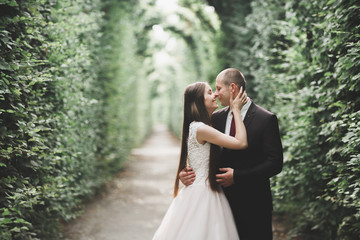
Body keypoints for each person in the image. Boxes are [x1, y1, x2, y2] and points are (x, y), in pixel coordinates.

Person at [180, 68, 283, 240]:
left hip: (254, 205)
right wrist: (187, 172)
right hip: (219, 202)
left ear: (233, 88)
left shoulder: (265, 119)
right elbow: (200, 150)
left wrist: (238, 176)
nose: (216, 94)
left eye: (219, 88)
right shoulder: (215, 118)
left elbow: (275, 163)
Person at [152, 82, 248, 240]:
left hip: (201, 190)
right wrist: (236, 109)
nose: (215, 95)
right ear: (198, 101)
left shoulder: (198, 126)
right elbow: (241, 143)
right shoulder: (201, 128)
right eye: (210, 92)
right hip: (205, 193)